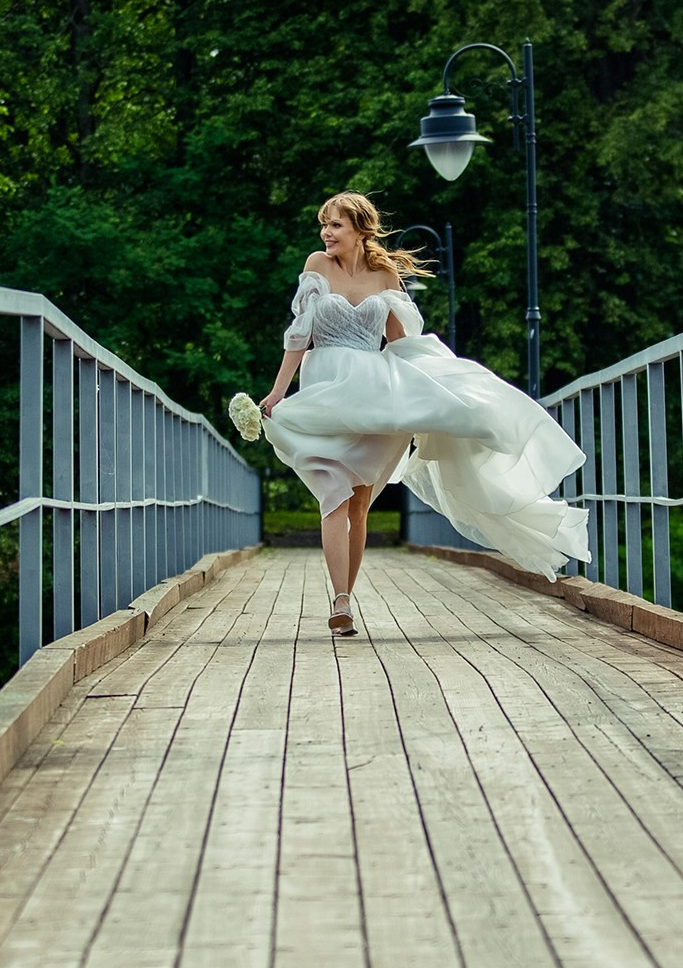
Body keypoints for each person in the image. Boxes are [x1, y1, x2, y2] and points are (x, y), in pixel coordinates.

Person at [251, 192, 591, 636]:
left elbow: (399, 341)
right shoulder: (317, 264)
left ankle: (346, 599)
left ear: (359, 228)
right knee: (331, 493)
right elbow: (300, 334)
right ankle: (340, 601)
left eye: (335, 225)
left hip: (375, 399)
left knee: (358, 505)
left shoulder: (385, 273)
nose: (326, 233)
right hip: (326, 394)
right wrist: (277, 393)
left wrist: (436, 388)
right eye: (324, 225)